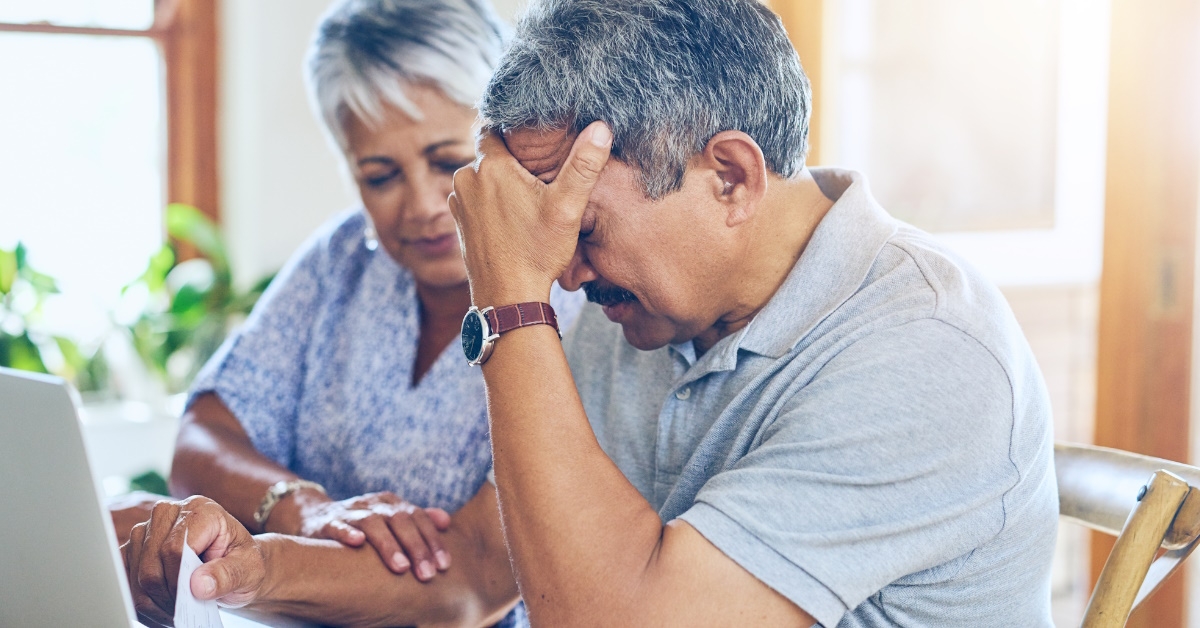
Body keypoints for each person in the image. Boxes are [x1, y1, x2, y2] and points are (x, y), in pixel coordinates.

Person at [124, 0, 1058, 626]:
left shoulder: (926, 353)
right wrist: (254, 570)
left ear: (728, 176)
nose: (564, 276)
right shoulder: (657, 312)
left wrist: (510, 302)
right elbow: (484, 567)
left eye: (583, 228)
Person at [113, 0, 582, 626]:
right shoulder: (342, 259)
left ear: (511, 138)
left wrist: (263, 563)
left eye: (447, 160)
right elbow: (201, 440)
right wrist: (301, 510)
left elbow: (477, 576)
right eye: (380, 175)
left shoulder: (578, 295)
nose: (421, 203)